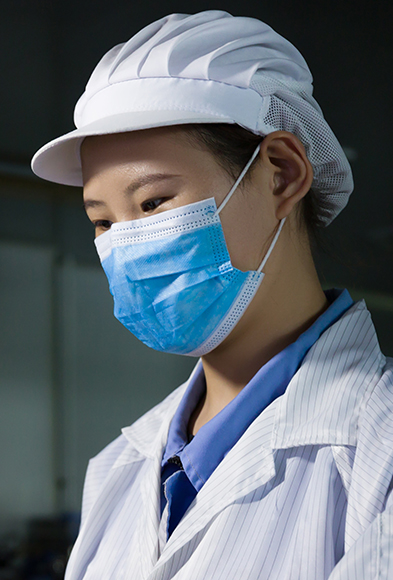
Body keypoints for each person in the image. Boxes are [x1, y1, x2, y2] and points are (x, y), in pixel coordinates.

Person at [31, 11, 393, 580]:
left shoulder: (378, 443)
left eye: (152, 203)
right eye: (103, 222)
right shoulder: (119, 467)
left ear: (280, 174)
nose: (126, 246)